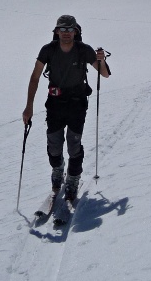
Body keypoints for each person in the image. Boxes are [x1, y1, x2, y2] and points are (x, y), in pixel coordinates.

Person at [23, 15, 110, 202]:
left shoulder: (83, 50)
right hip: (55, 103)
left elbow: (104, 74)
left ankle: (72, 178)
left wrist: (101, 60)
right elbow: (35, 78)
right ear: (56, 32)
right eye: (62, 30)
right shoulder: (48, 50)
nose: (66, 33)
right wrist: (28, 107)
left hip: (77, 103)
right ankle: (58, 169)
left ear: (75, 32)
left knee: (73, 143)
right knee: (54, 144)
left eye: (70, 30)